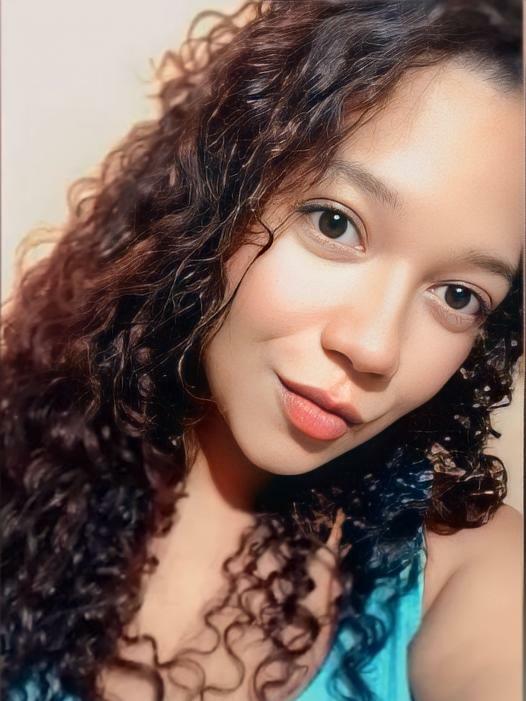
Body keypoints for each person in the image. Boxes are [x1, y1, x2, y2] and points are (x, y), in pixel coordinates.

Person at [1, 1, 523, 700]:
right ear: (225, 191)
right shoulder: (20, 455)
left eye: (459, 295)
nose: (373, 347)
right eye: (335, 224)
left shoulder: (467, 575)